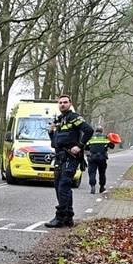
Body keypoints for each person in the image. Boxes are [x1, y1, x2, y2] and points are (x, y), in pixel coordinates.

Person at [45, 94, 94, 228]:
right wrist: (51, 133)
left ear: (70, 103)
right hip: (60, 157)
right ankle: (68, 217)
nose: (62, 104)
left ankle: (60, 218)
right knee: (58, 186)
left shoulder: (74, 118)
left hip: (70, 158)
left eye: (65, 102)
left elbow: (89, 130)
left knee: (63, 186)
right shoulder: (60, 120)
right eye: (60, 103)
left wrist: (79, 145)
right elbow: (56, 141)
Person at [85, 126, 113, 194]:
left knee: (92, 173)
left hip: (92, 158)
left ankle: (92, 186)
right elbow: (112, 146)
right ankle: (102, 187)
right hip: (102, 158)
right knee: (102, 173)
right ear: (102, 131)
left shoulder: (91, 137)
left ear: (96, 131)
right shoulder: (105, 137)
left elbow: (86, 147)